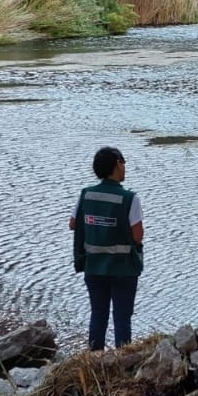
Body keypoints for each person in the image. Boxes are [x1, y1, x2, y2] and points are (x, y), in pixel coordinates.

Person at [70, 146, 144, 350]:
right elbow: (137, 236)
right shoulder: (130, 198)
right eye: (124, 163)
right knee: (122, 319)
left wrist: (97, 223)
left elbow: (73, 224)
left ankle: (94, 363)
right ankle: (123, 365)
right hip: (123, 270)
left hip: (94, 268)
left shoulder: (86, 194)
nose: (125, 168)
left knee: (98, 316)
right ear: (117, 164)